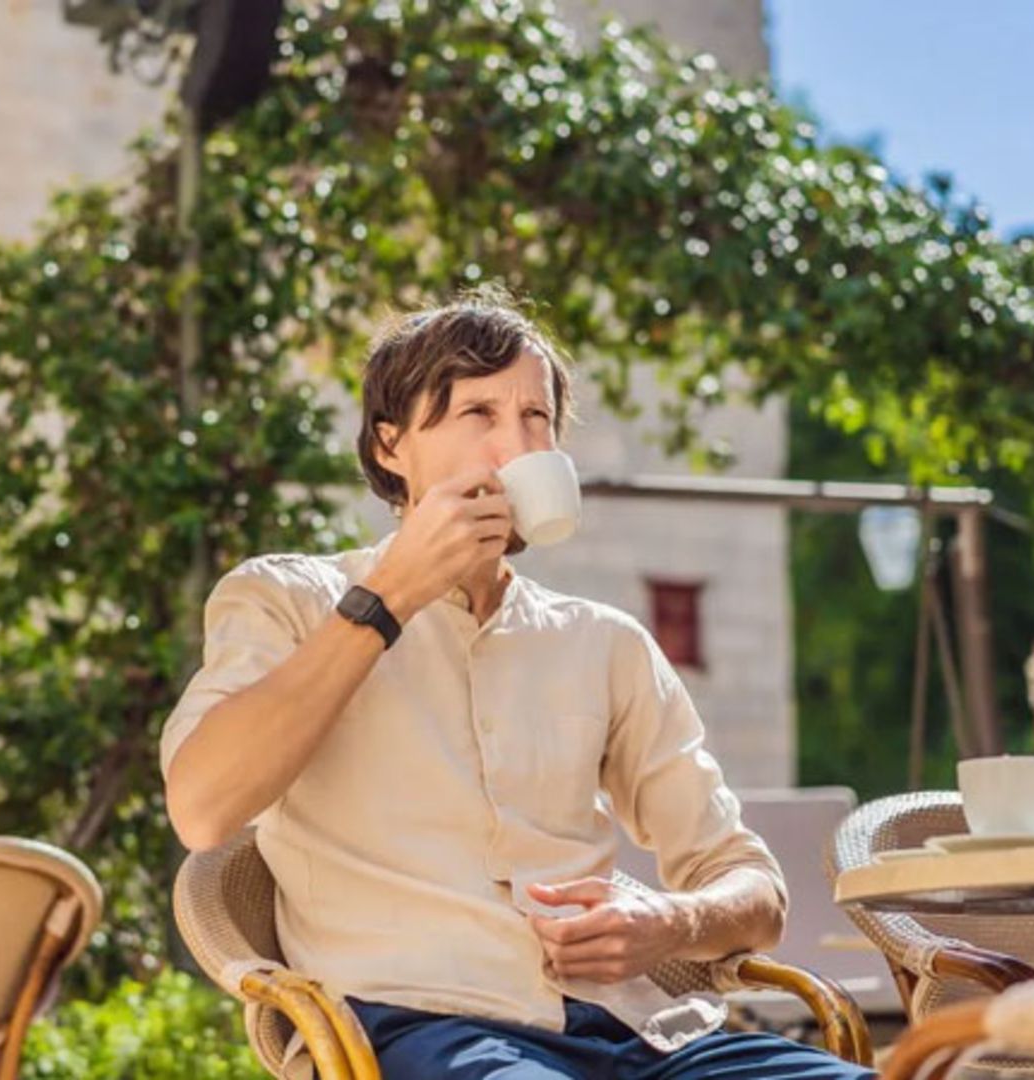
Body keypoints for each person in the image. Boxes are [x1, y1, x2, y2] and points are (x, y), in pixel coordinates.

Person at [162, 292, 873, 1079]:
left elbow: (753, 889)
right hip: (418, 1029)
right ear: (391, 445)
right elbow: (202, 807)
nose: (516, 447)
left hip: (643, 1036)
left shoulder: (605, 644)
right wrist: (390, 597)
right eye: (478, 414)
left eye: (536, 419)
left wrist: (667, 921)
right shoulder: (286, 599)